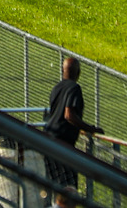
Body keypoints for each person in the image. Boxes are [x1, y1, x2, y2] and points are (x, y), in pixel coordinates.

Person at [42, 55, 101, 206]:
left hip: (49, 141)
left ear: (63, 71)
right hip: (63, 145)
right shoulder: (74, 88)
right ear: (78, 73)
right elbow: (69, 115)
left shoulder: (56, 88)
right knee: (69, 189)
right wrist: (90, 128)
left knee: (55, 186)